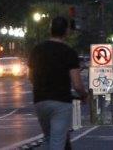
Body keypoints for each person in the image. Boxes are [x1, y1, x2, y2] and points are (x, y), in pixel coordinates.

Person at [28, 16, 88, 150]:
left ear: (50, 30)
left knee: (48, 138)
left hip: (40, 100)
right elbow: (77, 84)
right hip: (61, 101)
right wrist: (84, 95)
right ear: (66, 32)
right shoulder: (69, 52)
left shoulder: (37, 50)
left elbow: (30, 77)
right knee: (57, 141)